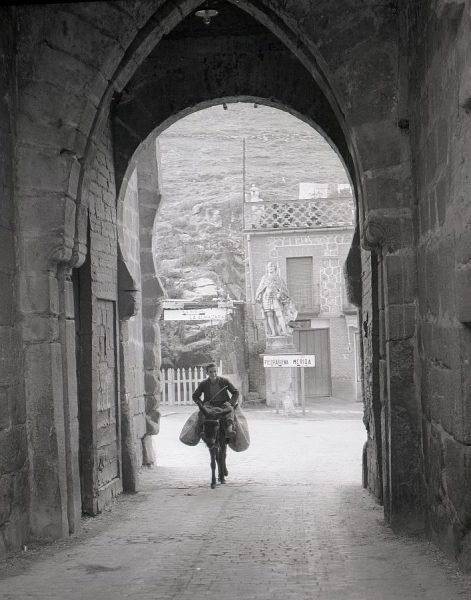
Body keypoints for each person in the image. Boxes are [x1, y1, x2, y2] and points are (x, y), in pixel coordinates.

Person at [192, 363, 239, 439]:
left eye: (215, 371)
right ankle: (203, 431)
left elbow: (236, 392)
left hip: (224, 405)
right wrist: (202, 404)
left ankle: (229, 430)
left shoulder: (224, 381)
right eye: (210, 372)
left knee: (230, 410)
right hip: (210, 406)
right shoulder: (203, 384)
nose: (213, 373)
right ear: (207, 373)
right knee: (202, 412)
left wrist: (230, 402)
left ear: (217, 371)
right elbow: (195, 396)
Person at [255, 261, 297, 337]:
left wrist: (280, 294)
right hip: (266, 297)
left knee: (279, 314)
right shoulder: (264, 278)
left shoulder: (279, 278)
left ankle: (284, 331)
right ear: (267, 269)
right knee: (269, 315)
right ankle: (273, 332)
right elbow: (260, 288)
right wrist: (258, 295)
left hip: (275, 297)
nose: (270, 268)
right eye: (268, 267)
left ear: (275, 268)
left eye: (271, 266)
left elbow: (284, 289)